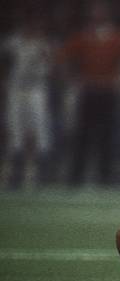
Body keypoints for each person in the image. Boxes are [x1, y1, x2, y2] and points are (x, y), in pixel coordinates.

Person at [58, 2, 120, 186]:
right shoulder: (83, 37)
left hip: (109, 91)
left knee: (107, 135)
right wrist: (73, 78)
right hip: (88, 90)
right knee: (83, 135)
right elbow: (63, 57)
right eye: (94, 12)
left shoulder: (117, 37)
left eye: (100, 12)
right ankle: (76, 177)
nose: (97, 15)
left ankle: (105, 176)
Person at [1, 15, 53, 189]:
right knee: (12, 127)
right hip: (16, 88)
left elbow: (50, 68)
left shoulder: (43, 44)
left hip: (35, 89)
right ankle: (6, 167)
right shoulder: (13, 42)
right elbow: (4, 63)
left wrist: (44, 56)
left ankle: (30, 170)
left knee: (34, 128)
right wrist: (4, 82)